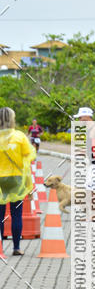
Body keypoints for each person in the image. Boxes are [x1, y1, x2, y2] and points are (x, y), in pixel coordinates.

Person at [0, 107, 36, 256]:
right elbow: (26, 163)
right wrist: (29, 185)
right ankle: (16, 248)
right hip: (16, 179)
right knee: (16, 214)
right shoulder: (20, 137)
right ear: (12, 119)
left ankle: (0, 247)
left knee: (0, 216)